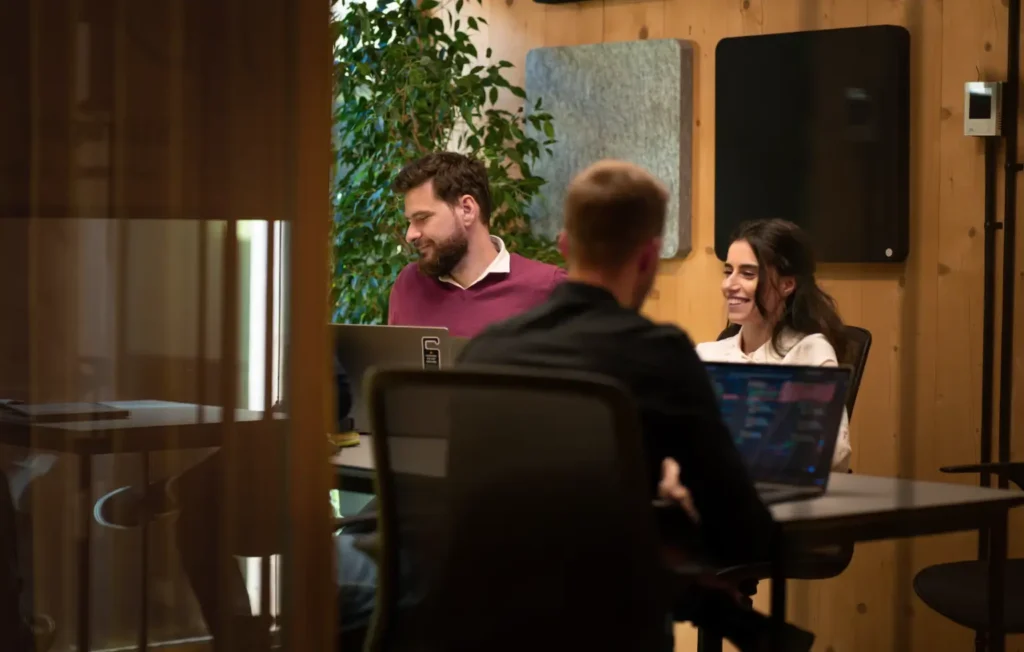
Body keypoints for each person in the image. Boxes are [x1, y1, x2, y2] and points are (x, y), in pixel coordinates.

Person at [455, 160, 812, 651]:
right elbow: (741, 531)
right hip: (605, 626)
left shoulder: (487, 349)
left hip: (478, 619)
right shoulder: (658, 354)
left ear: (564, 246)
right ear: (647, 258)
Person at [91, 355, 379, 648]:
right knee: (200, 515)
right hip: (276, 500)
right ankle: (239, 635)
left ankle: (169, 492)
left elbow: (334, 397)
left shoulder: (311, 337)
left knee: (198, 516)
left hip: (312, 512)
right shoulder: (309, 349)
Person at [695, 219, 852, 472]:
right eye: (728, 271)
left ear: (786, 284)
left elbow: (834, 454)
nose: (729, 285)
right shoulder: (706, 354)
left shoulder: (810, 352)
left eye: (747, 274)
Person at [388, 152, 567, 337]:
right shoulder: (408, 285)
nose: (410, 234)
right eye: (409, 221)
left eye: (422, 218)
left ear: (467, 209)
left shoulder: (549, 288)